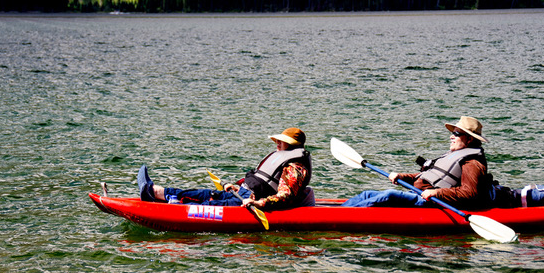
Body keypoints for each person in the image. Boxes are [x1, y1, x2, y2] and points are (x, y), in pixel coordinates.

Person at [138, 128, 314, 209]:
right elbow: (260, 180)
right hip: (242, 193)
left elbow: (285, 196)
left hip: (249, 202)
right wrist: (237, 187)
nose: (277, 143)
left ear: (291, 145)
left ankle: (167, 207)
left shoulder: (295, 167)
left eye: (281, 141)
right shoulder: (282, 158)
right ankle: (154, 191)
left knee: (209, 205)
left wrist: (257, 203)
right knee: (205, 193)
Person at [342, 116, 491, 209]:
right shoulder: (454, 154)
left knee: (388, 196)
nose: (451, 137)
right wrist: (402, 177)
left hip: (434, 203)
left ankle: (339, 218)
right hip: (419, 193)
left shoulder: (472, 162)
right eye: (452, 133)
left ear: (470, 139)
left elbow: (469, 193)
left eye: (456, 134)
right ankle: (337, 211)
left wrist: (436, 192)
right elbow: (429, 176)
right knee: (367, 194)